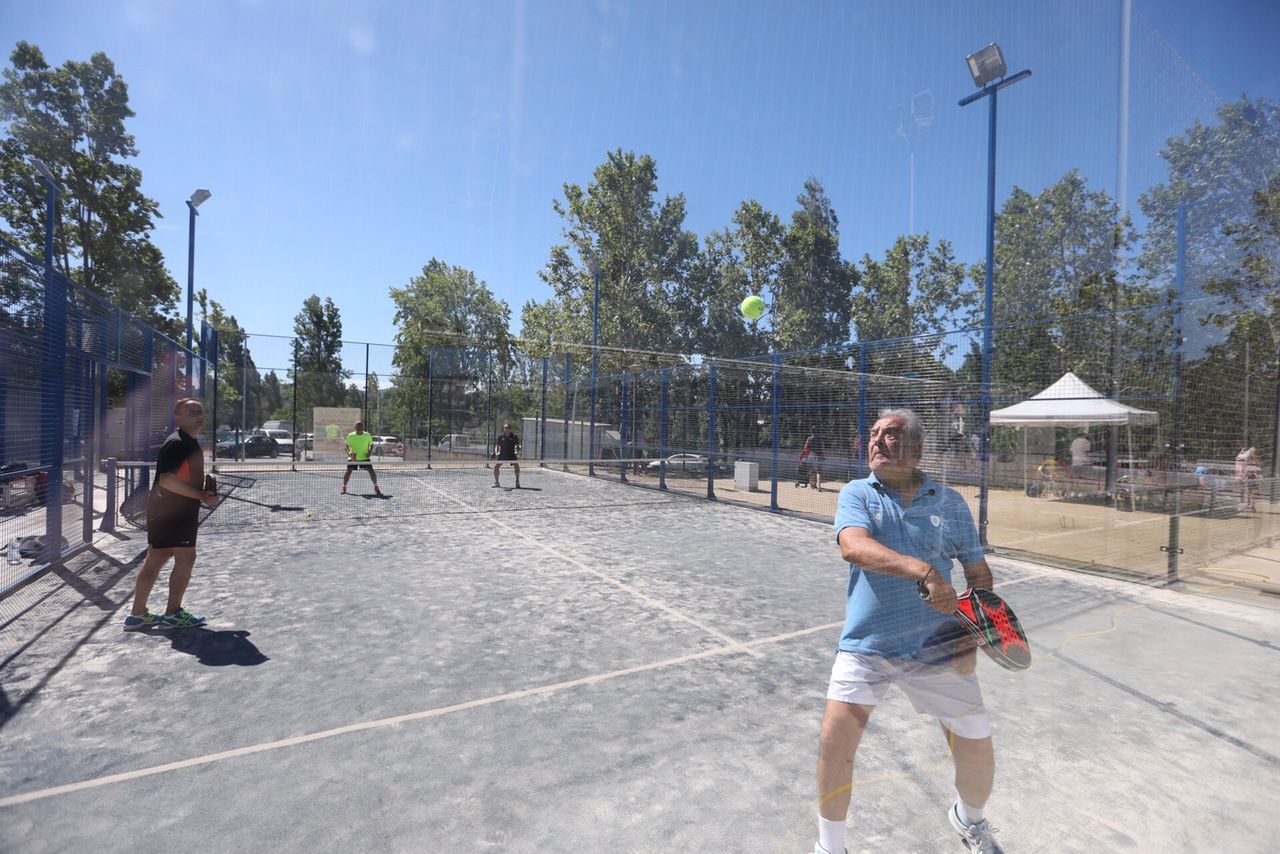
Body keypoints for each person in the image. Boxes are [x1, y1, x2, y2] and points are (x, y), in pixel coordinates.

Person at [815, 408, 1004, 854]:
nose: (877, 441)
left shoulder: (950, 502)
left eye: (891, 434)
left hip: (937, 648)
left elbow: (979, 575)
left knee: (977, 748)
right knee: (834, 742)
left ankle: (969, 820)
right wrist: (924, 572)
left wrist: (973, 637)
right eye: (874, 434)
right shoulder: (858, 492)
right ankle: (829, 848)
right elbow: (853, 547)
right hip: (868, 646)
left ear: (917, 449)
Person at [123, 398, 220, 631]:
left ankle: (137, 615)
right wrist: (202, 496)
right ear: (178, 418)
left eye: (201, 411)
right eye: (192, 412)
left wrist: (203, 491)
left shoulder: (186, 442)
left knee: (154, 560)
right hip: (176, 513)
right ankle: (173, 614)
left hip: (162, 511)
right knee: (186, 558)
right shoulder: (178, 443)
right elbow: (167, 480)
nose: (199, 415)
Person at [342, 420, 381, 495]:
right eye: (357, 425)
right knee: (348, 472)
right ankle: (344, 487)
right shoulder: (350, 436)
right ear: (355, 427)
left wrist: (369, 452)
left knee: (371, 471)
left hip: (364, 458)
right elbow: (347, 446)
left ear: (363, 427)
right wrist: (349, 453)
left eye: (360, 425)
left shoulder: (367, 435)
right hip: (353, 458)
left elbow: (371, 444)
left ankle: (376, 486)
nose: (359, 427)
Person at [493, 422, 521, 488]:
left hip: (511, 454)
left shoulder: (514, 437)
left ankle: (517, 481)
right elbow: (497, 446)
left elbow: (517, 446)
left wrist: (518, 452)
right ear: (504, 429)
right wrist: (497, 453)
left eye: (508, 428)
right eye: (506, 428)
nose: (507, 429)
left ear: (510, 429)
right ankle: (496, 482)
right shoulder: (500, 437)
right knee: (496, 467)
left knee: (516, 466)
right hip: (503, 454)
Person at [1236, 446, 1260, 512]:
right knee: (1249, 491)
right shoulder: (1251, 458)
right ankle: (1250, 505)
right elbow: (1239, 459)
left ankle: (1251, 506)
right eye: (1250, 450)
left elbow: (1254, 468)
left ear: (1254, 452)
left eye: (1252, 451)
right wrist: (1241, 453)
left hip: (1253, 478)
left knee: (1251, 492)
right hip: (1250, 478)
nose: (1250, 452)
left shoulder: (1254, 459)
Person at [804, 426, 825, 492]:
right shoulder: (820, 439)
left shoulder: (809, 438)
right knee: (819, 472)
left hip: (811, 455)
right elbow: (822, 448)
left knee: (811, 471)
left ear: (811, 431)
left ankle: (811, 486)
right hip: (819, 455)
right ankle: (819, 487)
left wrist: (808, 452)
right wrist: (823, 455)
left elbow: (805, 447)